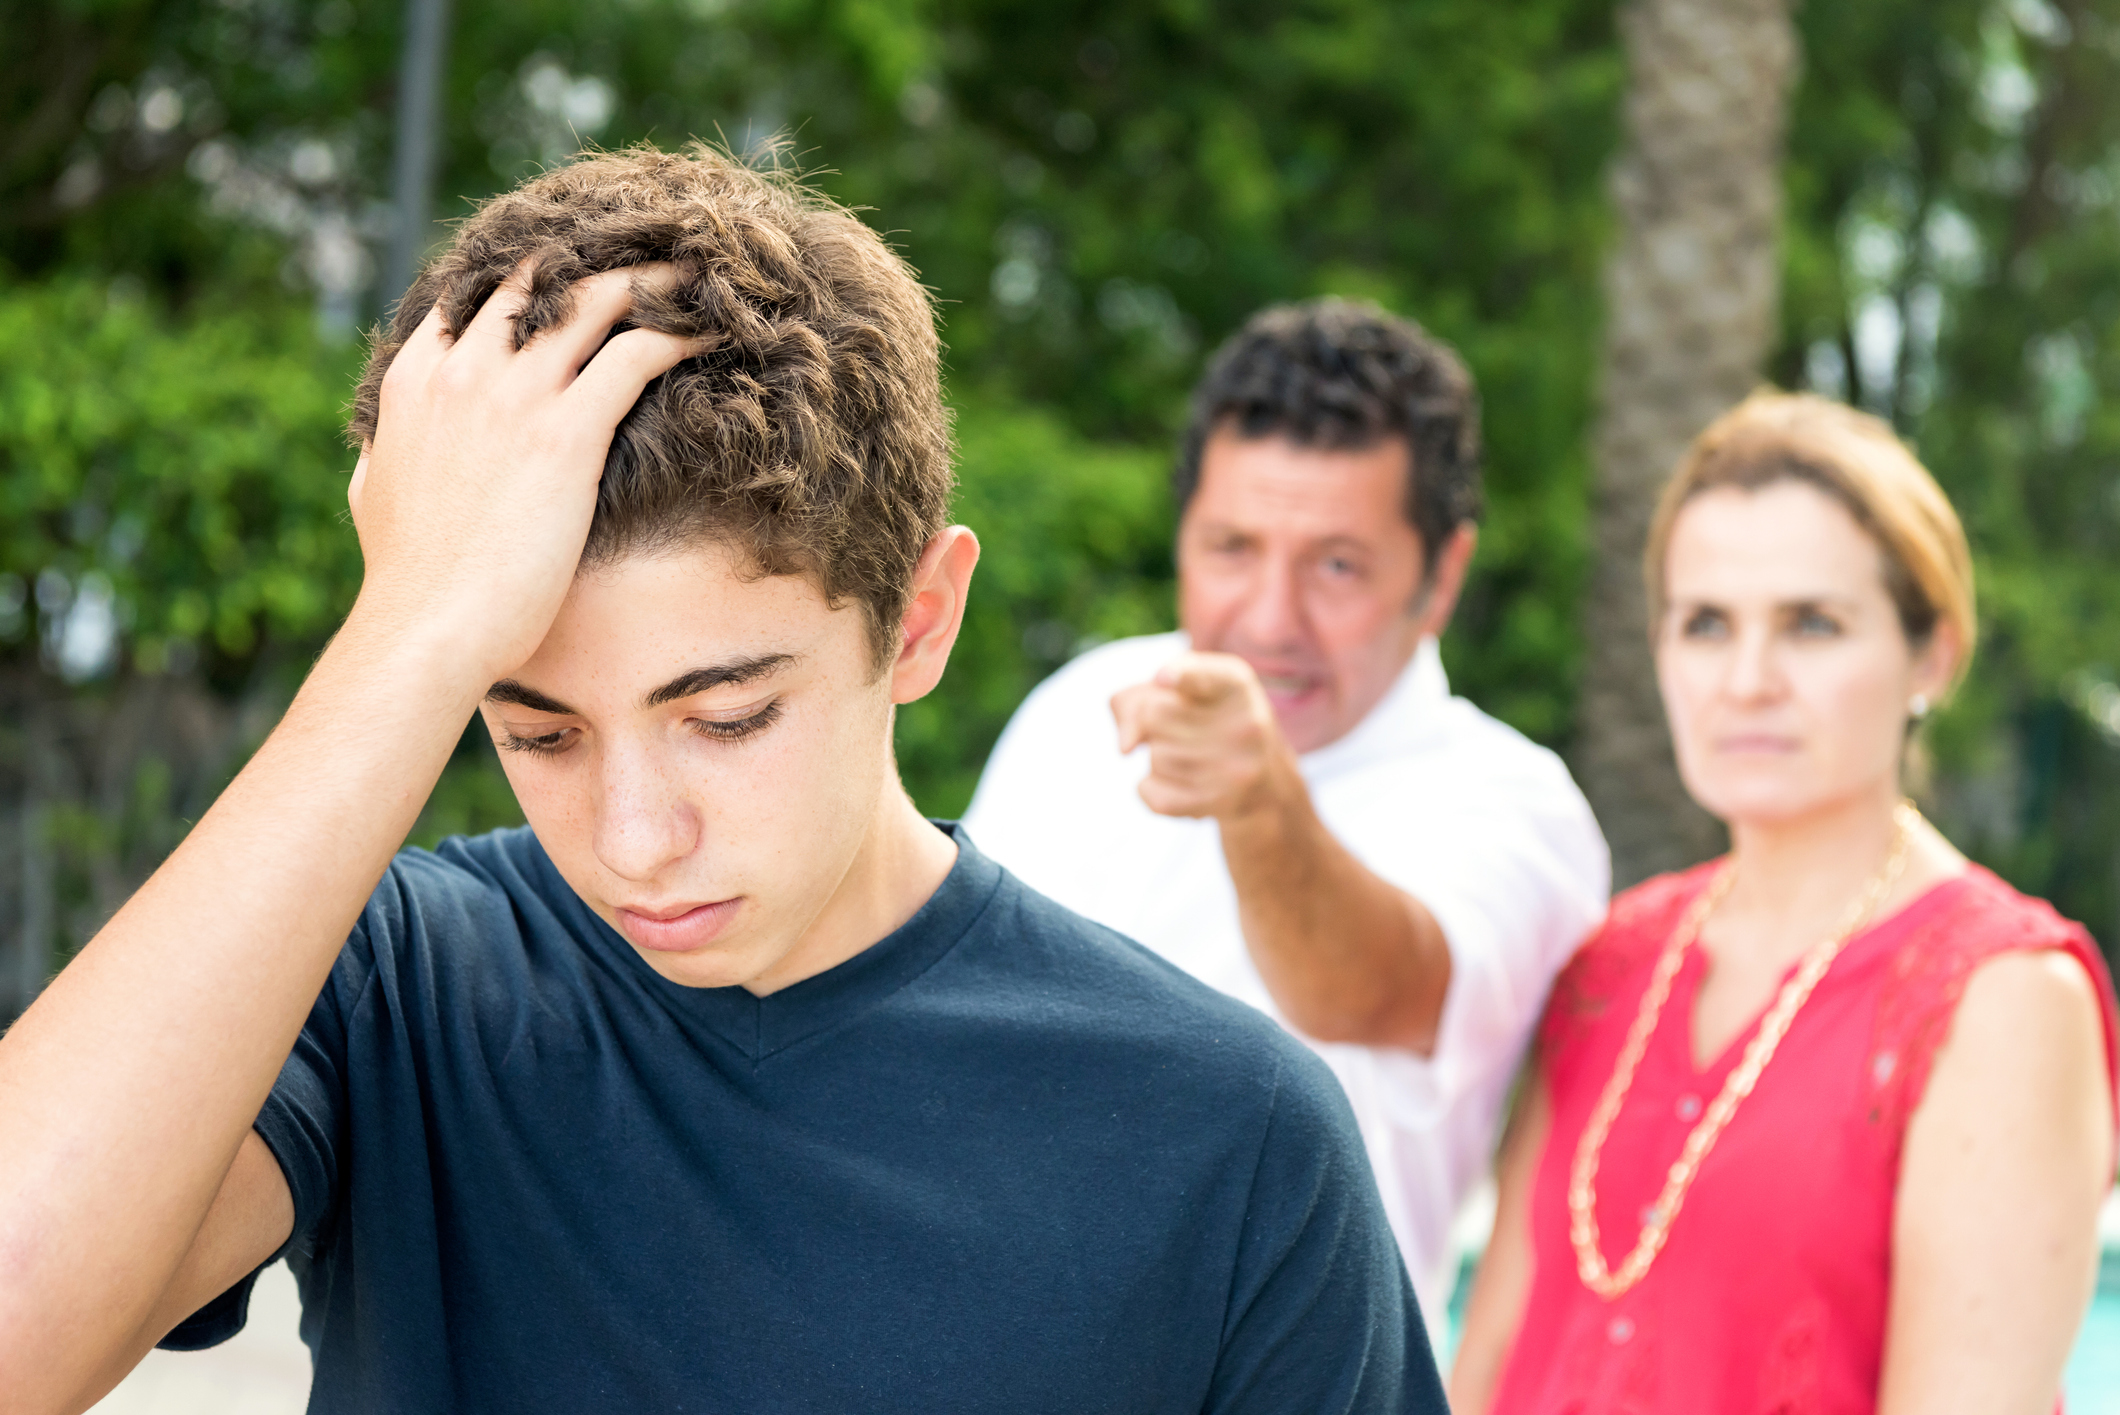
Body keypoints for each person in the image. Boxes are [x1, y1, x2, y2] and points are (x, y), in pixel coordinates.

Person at [0, 147, 1446, 1415]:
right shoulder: (404, 990)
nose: (635, 839)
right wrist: (410, 636)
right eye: (537, 729)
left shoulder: (1230, 1137)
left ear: (920, 621)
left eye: (729, 716)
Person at [1449, 391, 2120, 1414]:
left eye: (1811, 624)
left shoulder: (2001, 995)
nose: (1746, 679)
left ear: (1930, 654)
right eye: (1704, 623)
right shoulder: (1611, 960)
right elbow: (1488, 1352)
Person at [965, 298, 1611, 1326]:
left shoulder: (1514, 805)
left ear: (1440, 575)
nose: (1268, 619)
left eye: (1336, 565)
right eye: (1230, 546)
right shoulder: (1074, 712)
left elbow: (1365, 990)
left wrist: (1257, 797)